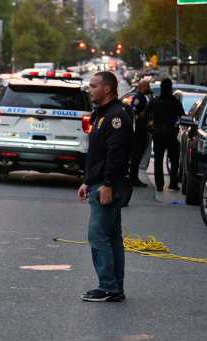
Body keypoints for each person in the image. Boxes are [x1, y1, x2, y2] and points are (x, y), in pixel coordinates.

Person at [78, 71, 133, 302]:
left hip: (109, 185)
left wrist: (107, 184)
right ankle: (114, 287)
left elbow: (116, 155)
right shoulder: (101, 115)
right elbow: (98, 155)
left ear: (107, 89)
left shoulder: (116, 117)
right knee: (111, 236)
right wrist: (87, 181)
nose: (89, 89)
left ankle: (108, 287)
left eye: (93, 86)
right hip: (99, 182)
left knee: (98, 235)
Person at [147, 78, 184, 191]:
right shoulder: (175, 101)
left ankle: (159, 185)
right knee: (174, 160)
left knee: (158, 160)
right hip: (171, 134)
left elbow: (145, 113)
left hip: (158, 134)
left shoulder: (155, 101)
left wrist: (151, 127)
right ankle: (173, 183)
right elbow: (182, 116)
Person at [128, 80, 151, 187]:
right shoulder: (138, 98)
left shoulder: (144, 97)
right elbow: (133, 111)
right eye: (147, 86)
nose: (149, 87)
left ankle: (134, 177)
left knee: (139, 155)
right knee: (136, 156)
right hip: (138, 132)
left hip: (143, 130)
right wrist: (140, 115)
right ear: (142, 87)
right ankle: (133, 178)